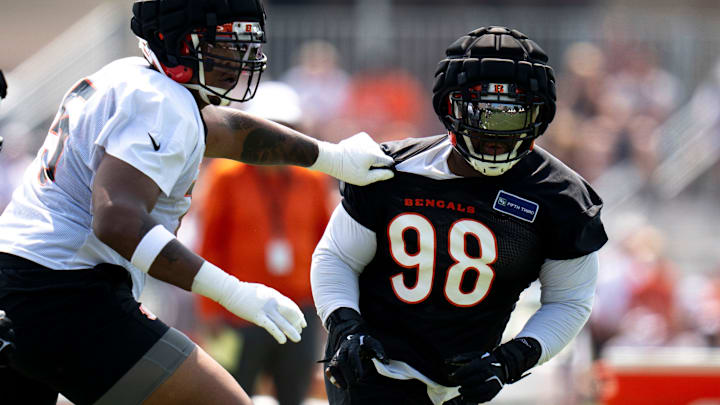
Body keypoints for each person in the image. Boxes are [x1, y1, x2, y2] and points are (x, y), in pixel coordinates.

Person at [0, 1, 394, 404]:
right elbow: (117, 220)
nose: (242, 57)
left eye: (246, 44)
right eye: (226, 44)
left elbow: (230, 131)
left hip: (20, 280)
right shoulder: (160, 102)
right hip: (66, 291)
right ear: (178, 45)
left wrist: (331, 157)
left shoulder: (128, 77)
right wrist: (232, 291)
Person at [311, 26, 608, 405]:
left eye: (511, 117)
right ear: (450, 107)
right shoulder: (390, 170)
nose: (495, 135)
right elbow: (337, 257)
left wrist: (511, 360)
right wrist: (345, 326)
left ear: (539, 114)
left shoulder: (561, 198)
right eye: (483, 115)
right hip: (374, 365)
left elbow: (569, 300)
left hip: (466, 379)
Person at [195, 81, 330, 404]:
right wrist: (210, 309)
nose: (281, 138)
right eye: (274, 129)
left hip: (300, 309)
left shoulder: (312, 178)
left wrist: (327, 310)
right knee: (233, 394)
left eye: (289, 129)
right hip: (240, 308)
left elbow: (326, 245)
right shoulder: (226, 176)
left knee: (294, 394)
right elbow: (210, 243)